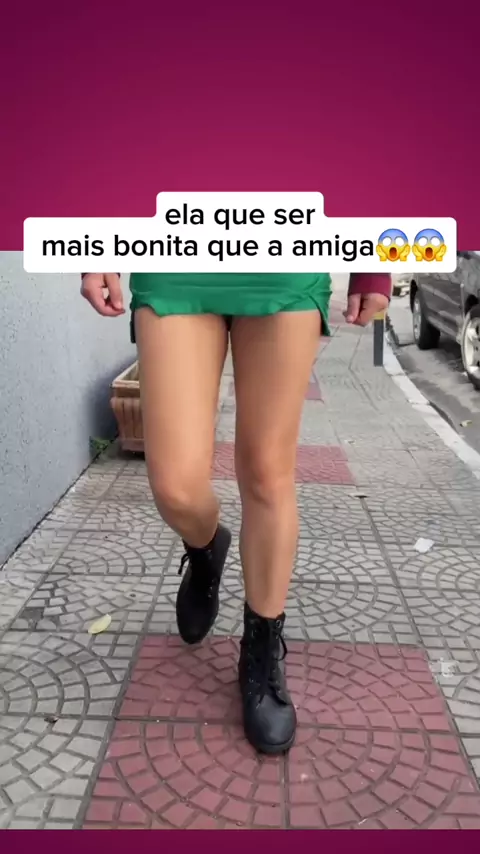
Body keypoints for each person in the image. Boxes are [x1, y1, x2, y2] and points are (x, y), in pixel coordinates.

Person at [81, 270, 391, 755]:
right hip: (175, 255)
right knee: (175, 486)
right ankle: (206, 548)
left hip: (286, 258)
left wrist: (375, 266)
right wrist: (92, 245)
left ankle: (261, 653)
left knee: (268, 472)